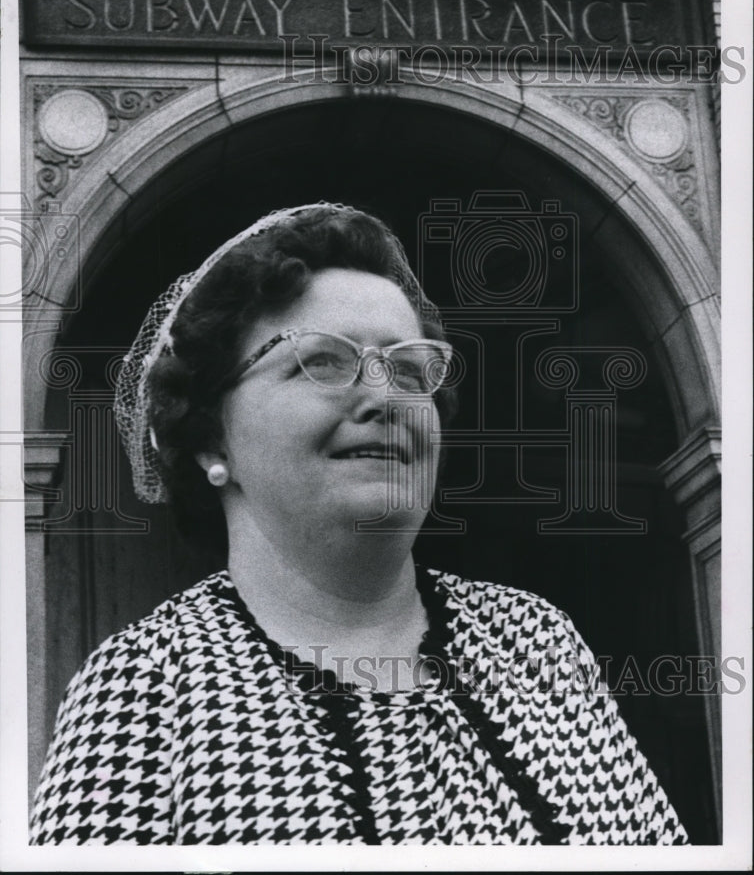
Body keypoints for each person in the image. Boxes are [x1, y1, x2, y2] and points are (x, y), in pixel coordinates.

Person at [29, 202, 688, 846]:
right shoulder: (144, 684)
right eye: (324, 361)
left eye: (408, 369)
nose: (385, 396)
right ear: (211, 440)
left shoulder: (535, 644)